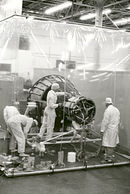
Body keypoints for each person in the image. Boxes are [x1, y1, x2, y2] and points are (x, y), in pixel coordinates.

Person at [101, 97, 120, 162]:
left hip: (109, 129)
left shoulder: (107, 110)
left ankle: (109, 158)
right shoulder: (116, 110)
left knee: (108, 144)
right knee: (112, 143)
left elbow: (105, 121)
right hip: (115, 129)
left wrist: (102, 130)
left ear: (106, 104)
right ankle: (109, 156)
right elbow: (118, 120)